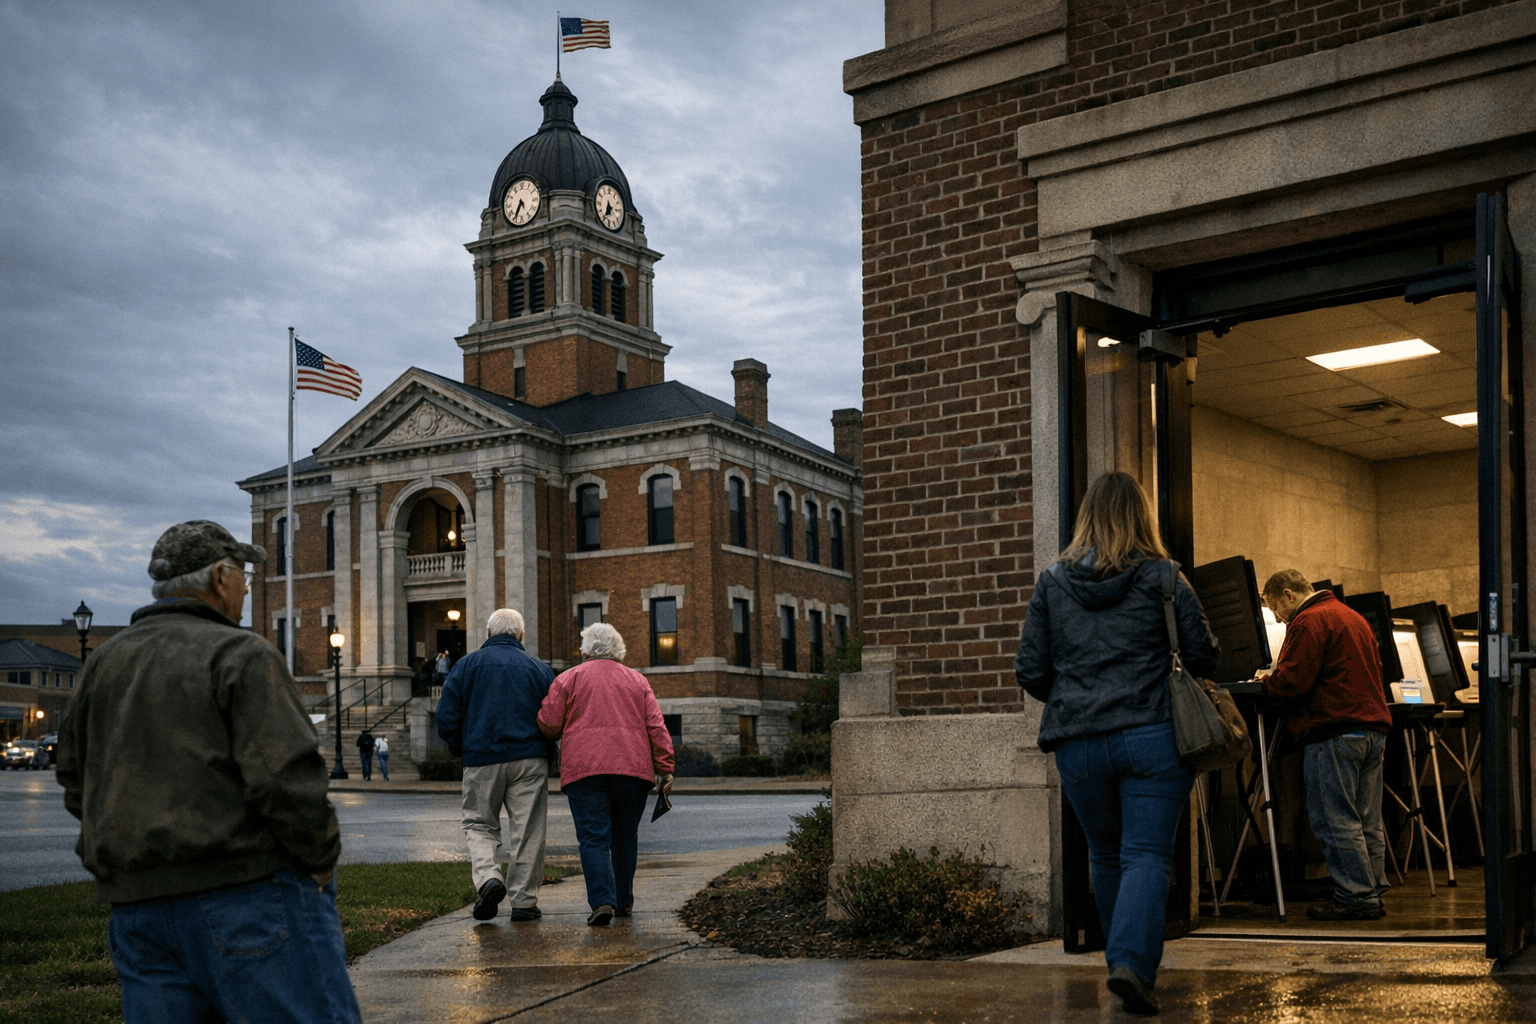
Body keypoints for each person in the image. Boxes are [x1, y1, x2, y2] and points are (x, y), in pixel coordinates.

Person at [55, 520, 360, 1024]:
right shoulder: (240, 654)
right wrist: (320, 855)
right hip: (249, 897)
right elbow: (286, 778)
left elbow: (74, 777)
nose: (245, 586)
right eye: (241, 574)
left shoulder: (102, 663)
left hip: (137, 910)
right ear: (219, 578)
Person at [1015, 472, 1219, 1016]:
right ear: (1142, 517)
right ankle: (1130, 965)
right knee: (1147, 855)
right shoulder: (1165, 577)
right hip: (1153, 736)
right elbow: (1202, 655)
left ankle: (1121, 964)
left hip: (1078, 744)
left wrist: (1078, 696)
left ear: (1085, 518)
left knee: (1106, 853)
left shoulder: (1051, 582)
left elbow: (1030, 669)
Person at [1255, 569, 1393, 921]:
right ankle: (1373, 889)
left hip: (1333, 730)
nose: (1279, 618)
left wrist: (1266, 682)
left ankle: (1355, 897)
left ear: (1287, 595)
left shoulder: (1308, 620)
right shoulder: (1352, 617)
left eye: (1276, 610)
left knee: (1336, 820)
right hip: (1373, 731)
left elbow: (1294, 682)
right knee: (1367, 820)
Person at [538, 623, 675, 926]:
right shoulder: (638, 681)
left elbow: (548, 723)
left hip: (584, 770)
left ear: (586, 649)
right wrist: (665, 767)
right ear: (619, 650)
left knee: (593, 838)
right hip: (632, 770)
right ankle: (624, 900)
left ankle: (603, 902)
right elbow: (656, 726)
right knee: (625, 836)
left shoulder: (568, 679)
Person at [436, 609, 555, 922]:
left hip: (482, 756)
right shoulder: (540, 669)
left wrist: (460, 747)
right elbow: (554, 717)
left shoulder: (466, 666)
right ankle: (524, 902)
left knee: (479, 823)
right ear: (520, 635)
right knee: (528, 831)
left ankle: (489, 878)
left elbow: (446, 717)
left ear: (488, 634)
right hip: (530, 757)